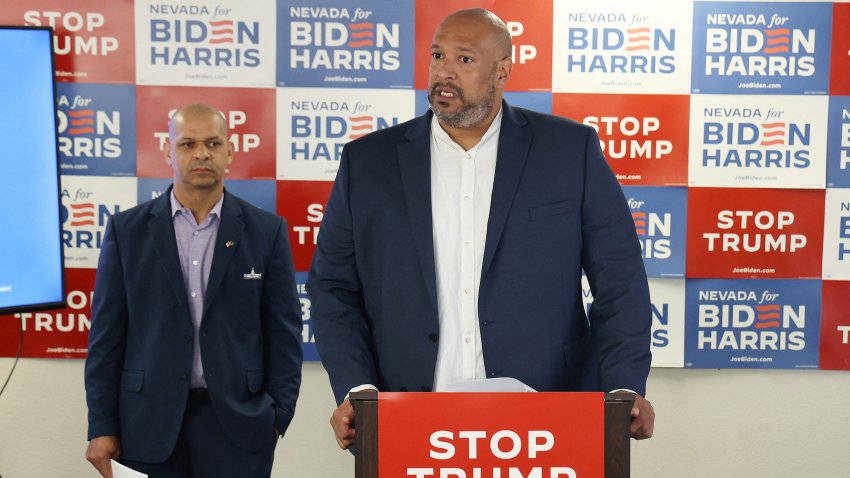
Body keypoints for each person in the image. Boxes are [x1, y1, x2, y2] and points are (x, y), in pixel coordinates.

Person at [307, 8, 655, 450]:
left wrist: (622, 385)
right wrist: (358, 391)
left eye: (465, 60)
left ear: (502, 71)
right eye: (437, 56)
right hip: (405, 419)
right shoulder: (368, 163)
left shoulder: (569, 152)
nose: (444, 73)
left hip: (548, 418)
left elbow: (620, 280)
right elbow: (333, 287)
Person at [84, 103, 303, 477]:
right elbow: (106, 339)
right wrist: (102, 425)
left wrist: (277, 416)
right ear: (168, 151)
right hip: (146, 426)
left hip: (239, 429)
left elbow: (284, 334)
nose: (201, 153)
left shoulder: (267, 232)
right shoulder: (127, 232)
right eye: (187, 144)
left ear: (230, 152)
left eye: (213, 143)